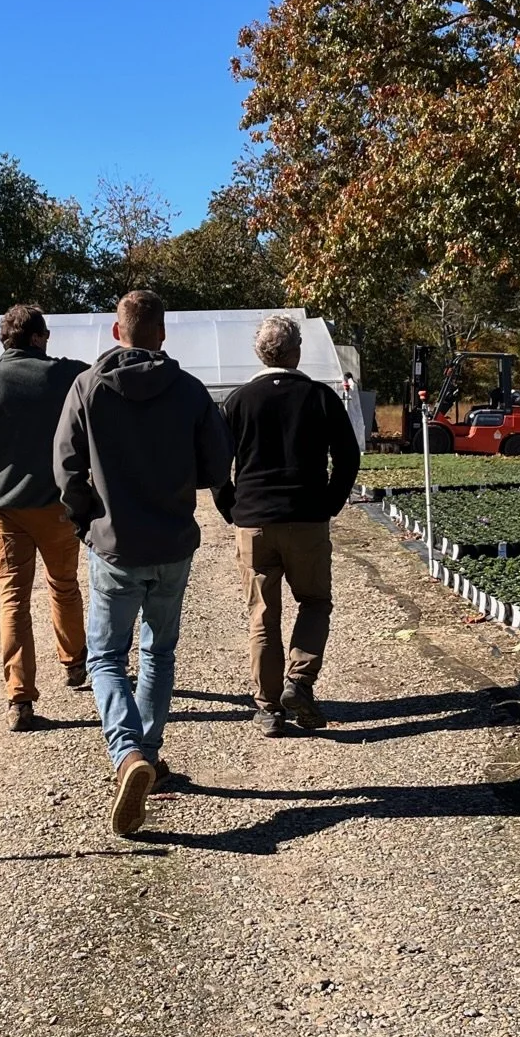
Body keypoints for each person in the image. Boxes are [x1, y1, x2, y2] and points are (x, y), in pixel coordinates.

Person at [54, 289, 232, 836]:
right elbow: (216, 466)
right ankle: (149, 753)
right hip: (172, 543)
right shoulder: (191, 392)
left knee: (106, 655)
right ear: (162, 334)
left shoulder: (85, 388)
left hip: (114, 545)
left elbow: (64, 468)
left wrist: (86, 521)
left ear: (116, 332)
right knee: (159, 650)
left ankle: (128, 753)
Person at [217, 314, 362, 736]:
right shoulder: (319, 397)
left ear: (259, 352)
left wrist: (231, 506)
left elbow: (214, 464)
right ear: (297, 352)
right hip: (306, 518)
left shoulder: (238, 401)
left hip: (255, 521)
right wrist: (330, 503)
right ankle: (299, 680)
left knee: (262, 614)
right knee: (314, 601)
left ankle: (266, 709)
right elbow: (349, 457)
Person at [0, 304, 88, 732]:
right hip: (56, 504)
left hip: (6, 508)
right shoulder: (65, 376)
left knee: (13, 599)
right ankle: (73, 663)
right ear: (35, 338)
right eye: (45, 334)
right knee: (64, 586)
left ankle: (19, 698)